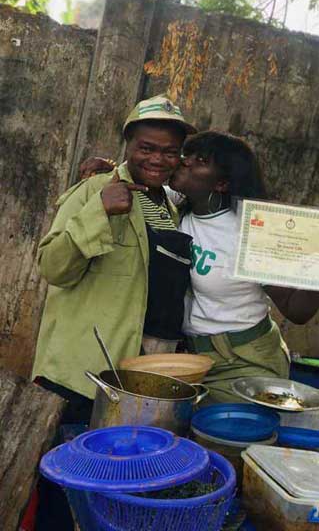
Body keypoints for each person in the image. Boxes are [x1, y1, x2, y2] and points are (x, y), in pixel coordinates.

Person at [32, 94, 196, 422]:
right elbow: (52, 266)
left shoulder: (171, 208)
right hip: (82, 375)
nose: (157, 160)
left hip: (136, 377)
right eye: (146, 148)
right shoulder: (93, 192)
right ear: (127, 145)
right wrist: (99, 211)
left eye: (169, 152)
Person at [168, 131, 319, 403]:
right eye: (187, 154)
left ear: (221, 183)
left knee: (219, 433)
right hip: (189, 359)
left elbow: (296, 310)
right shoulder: (174, 205)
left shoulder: (250, 233)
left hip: (243, 360)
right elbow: (140, 175)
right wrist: (107, 171)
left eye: (201, 160)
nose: (185, 162)